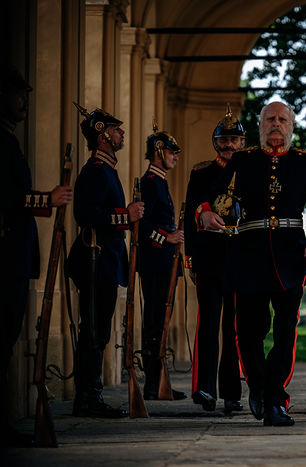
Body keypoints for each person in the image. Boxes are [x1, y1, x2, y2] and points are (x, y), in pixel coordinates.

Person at [197, 101, 306, 426]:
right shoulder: (243, 160)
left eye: (282, 119)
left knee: (285, 332)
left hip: (290, 256)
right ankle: (257, 386)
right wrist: (204, 210)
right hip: (248, 255)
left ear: (291, 125)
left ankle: (275, 399)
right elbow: (215, 193)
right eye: (270, 119)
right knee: (248, 332)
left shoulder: (305, 161)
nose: (276, 124)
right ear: (260, 125)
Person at [0, 65, 72, 445]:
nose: (24, 102)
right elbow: (7, 198)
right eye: (17, 95)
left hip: (14, 253)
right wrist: (47, 199)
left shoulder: (9, 141)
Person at [66, 104, 144, 418]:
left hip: (106, 260)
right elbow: (86, 215)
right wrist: (127, 214)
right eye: (115, 129)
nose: (121, 132)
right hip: (94, 257)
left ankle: (90, 395)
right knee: (94, 330)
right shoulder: (96, 170)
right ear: (102, 137)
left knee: (98, 330)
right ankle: (88, 398)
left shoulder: (107, 169)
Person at [184, 104, 246, 413]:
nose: (229, 145)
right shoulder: (202, 172)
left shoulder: (250, 169)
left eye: (235, 140)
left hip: (239, 256)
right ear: (216, 141)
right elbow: (189, 212)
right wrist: (190, 257)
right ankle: (204, 388)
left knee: (235, 327)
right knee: (207, 324)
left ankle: (232, 393)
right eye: (225, 139)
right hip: (208, 254)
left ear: (242, 142)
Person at [137, 125, 186, 401]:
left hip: (163, 261)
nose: (175, 157)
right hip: (155, 261)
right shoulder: (151, 182)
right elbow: (143, 225)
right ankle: (153, 384)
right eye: (171, 151)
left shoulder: (159, 181)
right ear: (158, 152)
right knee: (155, 321)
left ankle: (157, 382)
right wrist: (166, 237)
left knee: (160, 321)